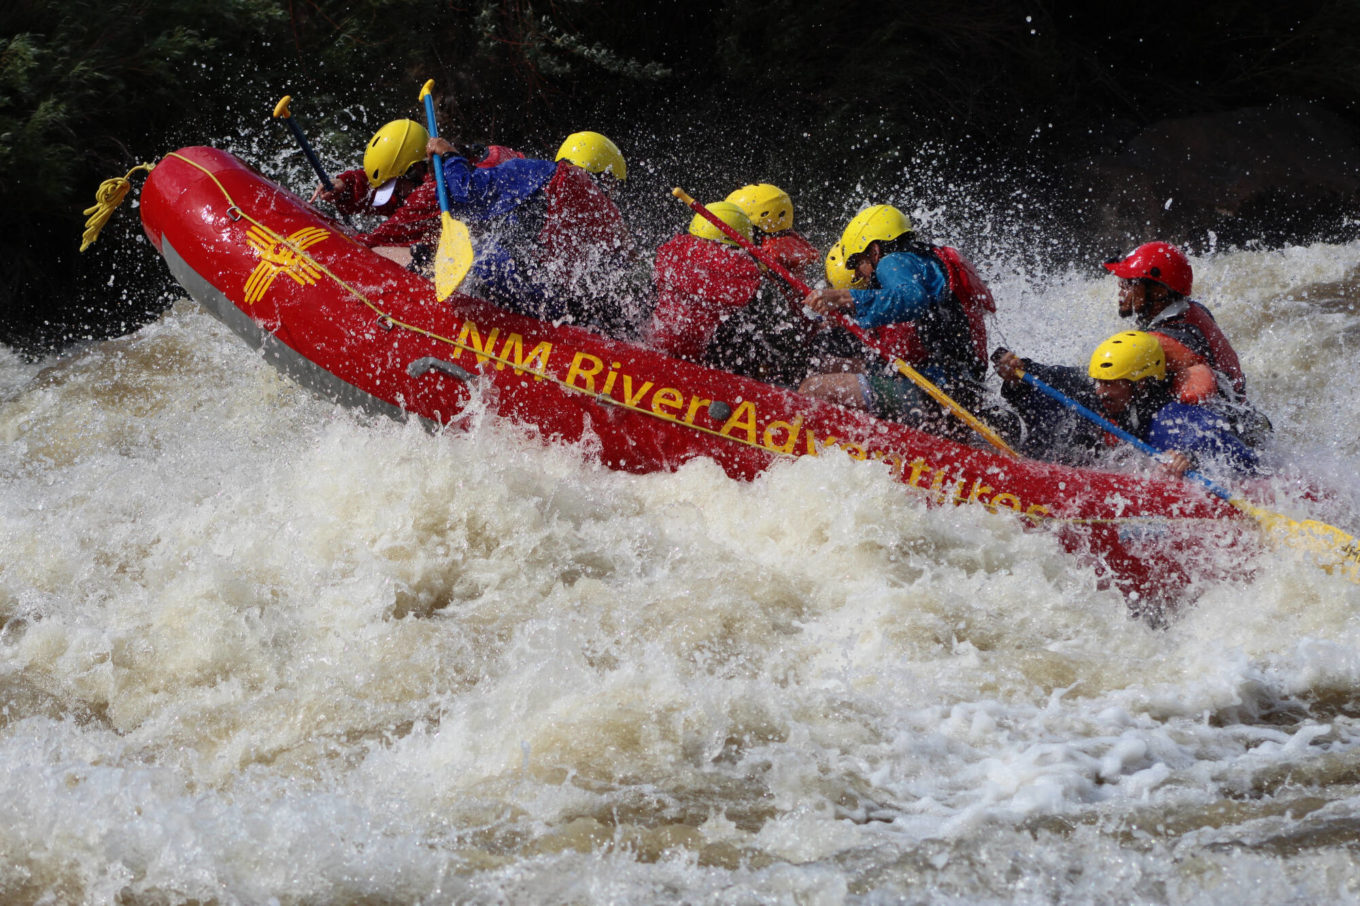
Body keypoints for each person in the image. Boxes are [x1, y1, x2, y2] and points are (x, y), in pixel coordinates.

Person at [797, 204, 997, 438]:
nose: (858, 274)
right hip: (961, 395)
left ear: (874, 251)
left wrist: (844, 297)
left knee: (812, 388)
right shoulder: (926, 262)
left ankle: (822, 446)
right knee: (827, 366)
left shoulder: (891, 262)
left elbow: (912, 299)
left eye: (857, 263)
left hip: (937, 398)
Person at [993, 331, 1261, 478]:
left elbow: (1241, 457)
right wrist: (1019, 371)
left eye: (1110, 384)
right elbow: (1058, 378)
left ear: (1141, 385)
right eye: (1099, 381)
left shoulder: (1171, 418)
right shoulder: (1100, 389)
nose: (1100, 391)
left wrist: (1190, 459)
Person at [1103, 241, 1270, 445]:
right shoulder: (1193, 310)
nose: (1121, 290)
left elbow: (1201, 390)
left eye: (1129, 284)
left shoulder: (1161, 342)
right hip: (1244, 422)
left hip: (1213, 436)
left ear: (1158, 292)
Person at [312, 120, 523, 253]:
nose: (395, 193)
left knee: (385, 251)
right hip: (517, 222)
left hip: (519, 245)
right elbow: (386, 192)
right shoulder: (463, 157)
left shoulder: (435, 192)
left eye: (396, 186)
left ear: (416, 171)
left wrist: (328, 246)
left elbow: (379, 238)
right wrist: (347, 187)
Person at [645, 202, 765, 367]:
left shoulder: (676, 252)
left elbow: (654, 291)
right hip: (705, 363)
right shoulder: (744, 272)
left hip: (654, 347)